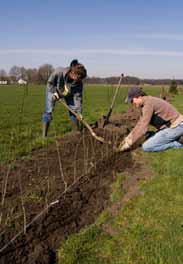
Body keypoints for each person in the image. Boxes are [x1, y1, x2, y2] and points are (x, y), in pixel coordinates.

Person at [118, 87, 183, 152]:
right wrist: (128, 138)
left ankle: (178, 143)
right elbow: (140, 124)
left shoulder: (148, 104)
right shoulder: (146, 103)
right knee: (147, 137)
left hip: (176, 126)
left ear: (139, 97)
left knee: (146, 147)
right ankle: (175, 137)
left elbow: (143, 128)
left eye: (132, 100)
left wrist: (129, 143)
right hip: (173, 126)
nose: (132, 103)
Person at [42, 60, 87, 137]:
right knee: (48, 111)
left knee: (74, 111)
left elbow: (78, 98)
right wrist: (54, 93)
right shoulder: (59, 72)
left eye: (81, 79)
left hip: (69, 93)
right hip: (53, 90)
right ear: (73, 73)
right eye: (79, 77)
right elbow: (50, 83)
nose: (79, 80)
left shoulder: (79, 83)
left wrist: (79, 113)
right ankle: (44, 136)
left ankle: (76, 132)